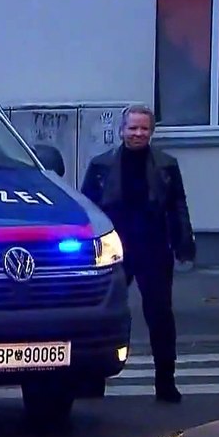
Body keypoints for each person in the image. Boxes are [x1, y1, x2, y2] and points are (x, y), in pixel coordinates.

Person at [81, 103, 196, 403]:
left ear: (152, 132)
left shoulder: (166, 165)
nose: (138, 133)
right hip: (114, 249)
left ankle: (165, 382)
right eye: (132, 128)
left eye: (144, 128)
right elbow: (88, 210)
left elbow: (177, 205)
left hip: (154, 247)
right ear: (122, 130)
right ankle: (94, 381)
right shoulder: (102, 165)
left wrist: (184, 242)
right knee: (103, 313)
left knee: (160, 315)